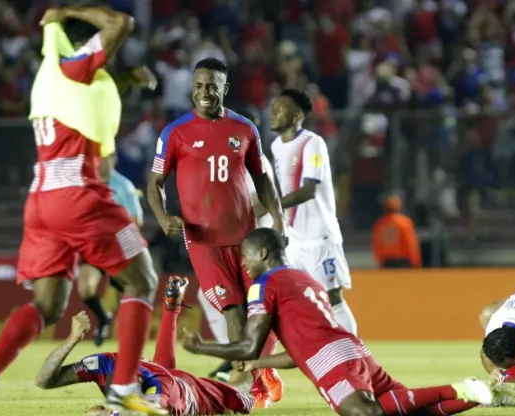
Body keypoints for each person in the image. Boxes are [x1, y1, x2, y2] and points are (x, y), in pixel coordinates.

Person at [0, 5, 165, 415]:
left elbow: (85, 99)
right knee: (143, 280)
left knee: (49, 306)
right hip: (79, 193)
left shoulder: (49, 76)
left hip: (41, 199)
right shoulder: (74, 64)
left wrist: (126, 78)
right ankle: (123, 389)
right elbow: (121, 23)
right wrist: (65, 10)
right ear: (82, 43)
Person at [182, 228, 515, 416]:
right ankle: (484, 396)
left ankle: (460, 388)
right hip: (351, 349)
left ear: (261, 254)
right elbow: (296, 353)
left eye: (245, 257)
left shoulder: (264, 285)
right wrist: (260, 363)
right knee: (409, 411)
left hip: (331, 359)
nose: (243, 264)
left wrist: (202, 347)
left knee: (364, 413)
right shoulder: (304, 279)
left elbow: (248, 343)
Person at [146, 57, 286, 407]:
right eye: (198, 86)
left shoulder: (245, 128)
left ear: (224, 88)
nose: (204, 92)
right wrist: (163, 217)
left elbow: (264, 180)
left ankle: (256, 372)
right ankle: (245, 391)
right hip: (204, 243)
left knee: (268, 310)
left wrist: (280, 221)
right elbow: (155, 182)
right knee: (234, 311)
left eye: (212, 86)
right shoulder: (175, 132)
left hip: (247, 240)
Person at [35, 277, 254, 416]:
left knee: (244, 391)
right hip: (172, 381)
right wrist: (71, 340)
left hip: (198, 393)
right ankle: (172, 309)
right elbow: (44, 380)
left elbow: (146, 409)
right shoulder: (106, 363)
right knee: (163, 371)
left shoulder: (157, 390)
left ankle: (261, 358)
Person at [267, 89, 358, 336]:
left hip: (319, 237)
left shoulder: (312, 143)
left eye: (280, 108)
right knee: (292, 299)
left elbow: (308, 190)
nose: (272, 112)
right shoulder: (276, 146)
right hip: (294, 239)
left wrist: (272, 206)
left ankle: (357, 359)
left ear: (297, 115)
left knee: (333, 297)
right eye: (273, 107)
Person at [195, 108, 276, 382]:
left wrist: (235, 210)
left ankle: (255, 364)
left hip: (255, 247)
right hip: (230, 245)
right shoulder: (221, 162)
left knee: (256, 305)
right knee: (214, 299)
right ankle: (238, 357)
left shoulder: (257, 162)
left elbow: (266, 202)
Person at [77, 152, 145, 347]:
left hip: (120, 249)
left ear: (114, 159)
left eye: (105, 158)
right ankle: (103, 318)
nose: (101, 162)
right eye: (97, 157)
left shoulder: (123, 186)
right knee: (85, 289)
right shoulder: (88, 183)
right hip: (96, 248)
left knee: (124, 296)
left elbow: (136, 221)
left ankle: (129, 342)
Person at [371, 196, 422, 268]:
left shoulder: (380, 224)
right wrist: (415, 261)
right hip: (403, 261)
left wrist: (380, 261)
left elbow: (377, 245)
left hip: (387, 262)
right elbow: (410, 243)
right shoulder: (405, 222)